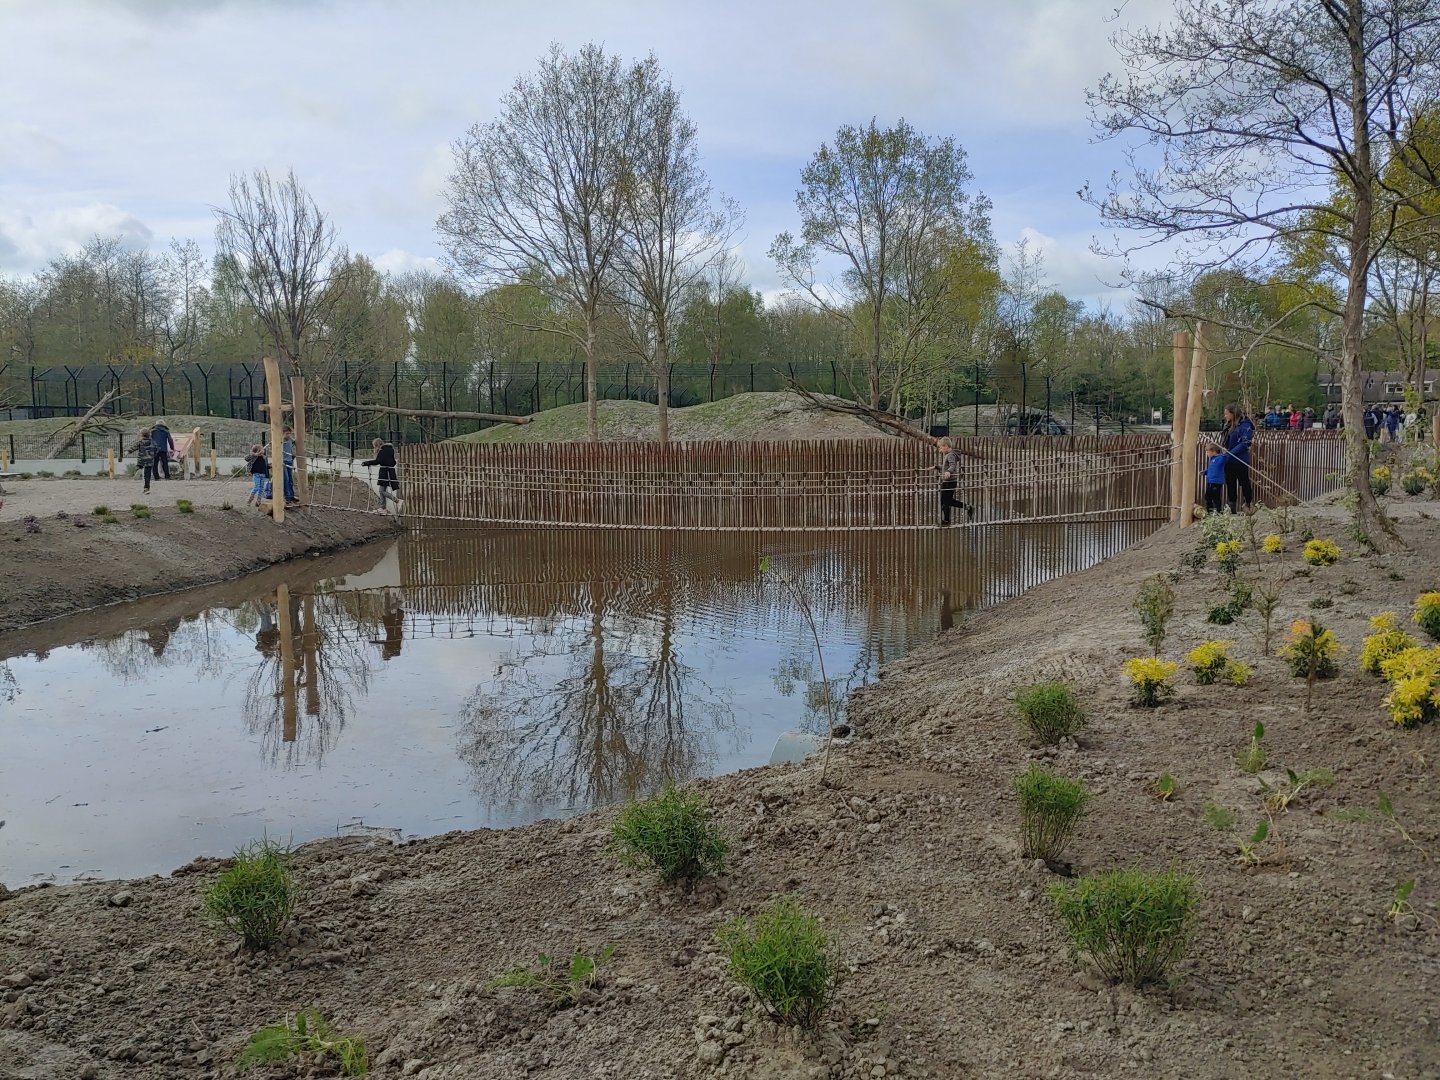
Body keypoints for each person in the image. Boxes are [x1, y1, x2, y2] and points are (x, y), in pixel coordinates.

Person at [1220, 403, 1255, 513]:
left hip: (1240, 460)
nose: (1225, 416)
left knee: (1244, 482)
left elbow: (1246, 442)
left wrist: (1231, 452)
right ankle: (1232, 507)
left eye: (1226, 414)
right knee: (1230, 484)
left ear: (1232, 413)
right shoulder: (1228, 425)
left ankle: (1248, 503)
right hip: (1228, 460)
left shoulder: (1245, 425)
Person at [933, 437, 970, 526]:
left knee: (947, 501)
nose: (940, 449)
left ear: (945, 446)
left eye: (940, 447)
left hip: (950, 481)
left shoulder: (951, 455)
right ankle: (946, 520)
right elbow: (947, 466)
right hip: (947, 481)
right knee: (944, 501)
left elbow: (952, 465)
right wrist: (938, 467)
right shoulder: (948, 455)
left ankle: (968, 508)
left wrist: (948, 471)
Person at [361, 437, 401, 511]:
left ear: (377, 445)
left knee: (382, 491)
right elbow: (393, 462)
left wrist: (367, 463)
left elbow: (378, 461)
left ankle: (397, 501)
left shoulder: (382, 451)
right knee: (382, 490)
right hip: (390, 471)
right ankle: (383, 508)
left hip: (385, 472)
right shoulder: (390, 450)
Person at [1203, 443, 1226, 514]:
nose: (1207, 453)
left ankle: (1218, 510)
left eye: (1207, 452)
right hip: (1210, 481)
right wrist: (1205, 472)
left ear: (1213, 451)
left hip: (1216, 482)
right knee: (1208, 496)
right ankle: (1209, 510)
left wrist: (1225, 454)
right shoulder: (1212, 460)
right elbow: (1211, 469)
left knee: (1215, 496)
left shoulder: (1219, 458)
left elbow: (1224, 459)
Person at [132, 428, 157, 494]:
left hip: (141, 459)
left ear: (141, 435)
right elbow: (156, 449)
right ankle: (146, 488)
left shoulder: (140, 442)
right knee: (147, 474)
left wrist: (127, 451)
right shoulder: (152, 441)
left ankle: (139, 469)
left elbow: (134, 447)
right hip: (150, 459)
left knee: (139, 465)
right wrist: (153, 455)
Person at [281, 426, 297, 504]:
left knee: (290, 479)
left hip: (290, 461)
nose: (289, 435)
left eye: (290, 434)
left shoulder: (290, 440)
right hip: (283, 462)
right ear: (282, 434)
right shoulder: (280, 441)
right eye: (287, 434)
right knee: (286, 479)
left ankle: (291, 495)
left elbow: (294, 443)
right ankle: (287, 497)